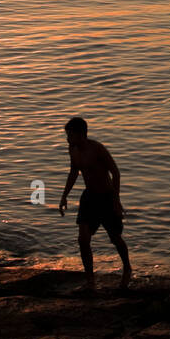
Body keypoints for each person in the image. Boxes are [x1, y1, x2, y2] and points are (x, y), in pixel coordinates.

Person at [58, 116, 132, 288]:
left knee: (115, 238)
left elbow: (116, 173)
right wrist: (64, 196)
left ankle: (127, 268)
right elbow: (73, 172)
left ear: (81, 134)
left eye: (70, 135)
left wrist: (116, 201)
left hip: (106, 196)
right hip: (89, 198)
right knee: (83, 239)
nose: (67, 139)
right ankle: (90, 279)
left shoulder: (97, 149)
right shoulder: (73, 149)